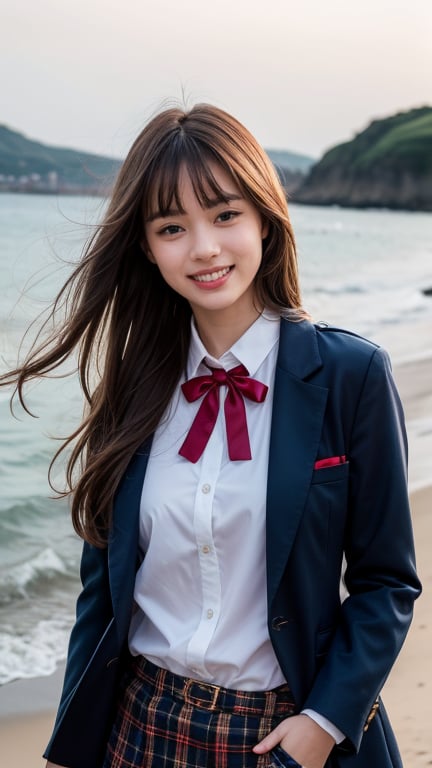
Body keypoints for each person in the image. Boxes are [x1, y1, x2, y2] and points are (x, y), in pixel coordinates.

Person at [1, 104, 420, 768]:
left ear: (263, 217)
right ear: (146, 245)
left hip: (283, 737)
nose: (203, 248)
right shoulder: (133, 386)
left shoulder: (349, 375)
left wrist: (323, 722)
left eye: (225, 215)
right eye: (173, 226)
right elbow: (102, 593)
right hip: (136, 729)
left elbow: (387, 582)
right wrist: (68, 746)